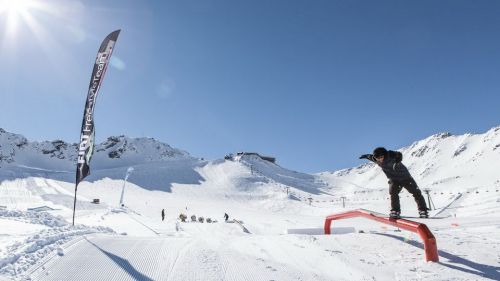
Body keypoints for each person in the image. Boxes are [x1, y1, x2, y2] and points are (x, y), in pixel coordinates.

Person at [359, 147, 428, 218]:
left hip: (405, 177)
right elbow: (370, 156)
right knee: (393, 193)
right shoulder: (376, 159)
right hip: (394, 179)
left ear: (384, 155)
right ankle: (395, 211)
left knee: (416, 193)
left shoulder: (390, 155)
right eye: (378, 158)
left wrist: (398, 159)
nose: (380, 159)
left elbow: (399, 154)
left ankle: (423, 211)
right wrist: (366, 156)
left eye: (381, 157)